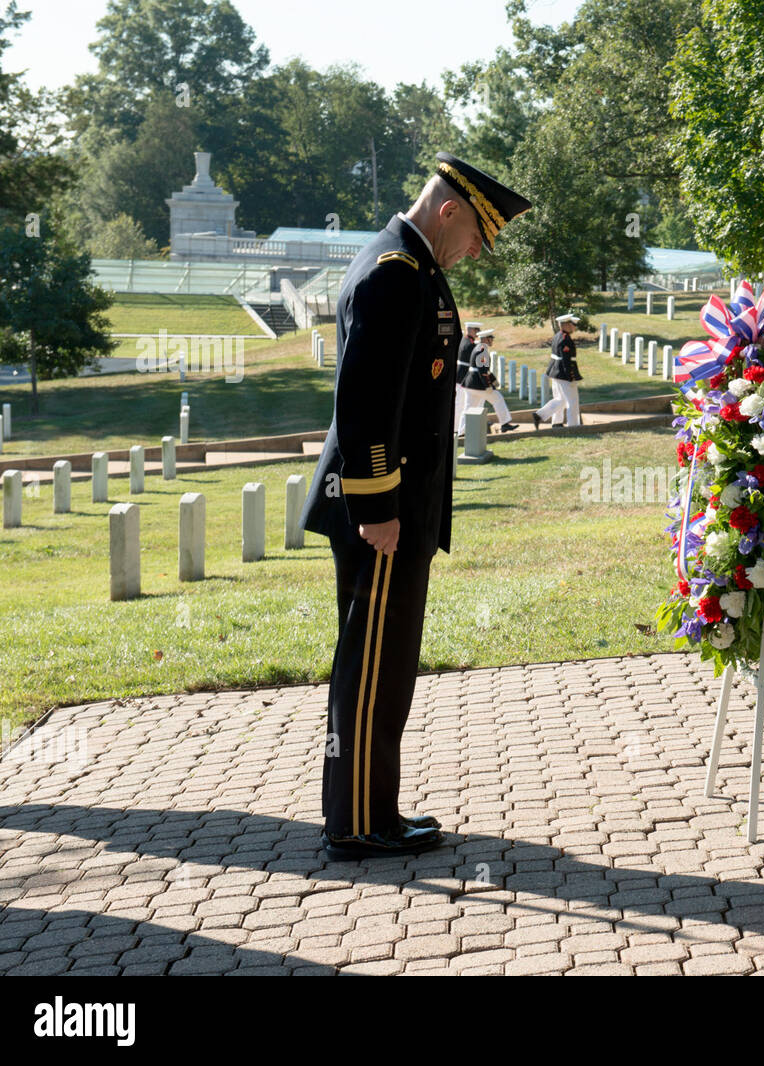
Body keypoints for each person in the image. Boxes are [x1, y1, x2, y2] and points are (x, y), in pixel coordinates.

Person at [299, 151, 530, 861]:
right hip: (382, 512)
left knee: (387, 665)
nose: (476, 254)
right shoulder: (394, 273)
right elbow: (364, 403)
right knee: (372, 667)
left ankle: (375, 809)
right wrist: (376, 505)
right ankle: (358, 823)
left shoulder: (409, 265)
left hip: (397, 509)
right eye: (479, 238)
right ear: (450, 211)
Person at [456, 327, 517, 434]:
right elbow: (482, 371)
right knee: (498, 399)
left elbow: (484, 369)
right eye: (491, 338)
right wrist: (488, 385)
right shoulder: (482, 350)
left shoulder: (478, 348)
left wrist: (493, 380)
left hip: (470, 384)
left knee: (468, 408)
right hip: (477, 384)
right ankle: (505, 423)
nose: (492, 340)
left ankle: (461, 432)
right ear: (485, 339)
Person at [531, 313, 583, 429]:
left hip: (556, 371)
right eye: (573, 324)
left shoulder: (558, 335)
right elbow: (566, 360)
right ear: (566, 325)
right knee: (572, 401)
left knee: (560, 399)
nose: (574, 327)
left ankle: (546, 418)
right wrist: (571, 376)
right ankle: (573, 426)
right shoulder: (565, 339)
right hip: (564, 373)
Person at [453, 322, 481, 441]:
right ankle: (456, 428)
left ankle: (457, 428)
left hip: (462, 375)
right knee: (460, 403)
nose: (477, 333)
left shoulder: (465, 340)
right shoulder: (468, 344)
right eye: (476, 330)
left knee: (461, 403)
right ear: (470, 330)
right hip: (462, 376)